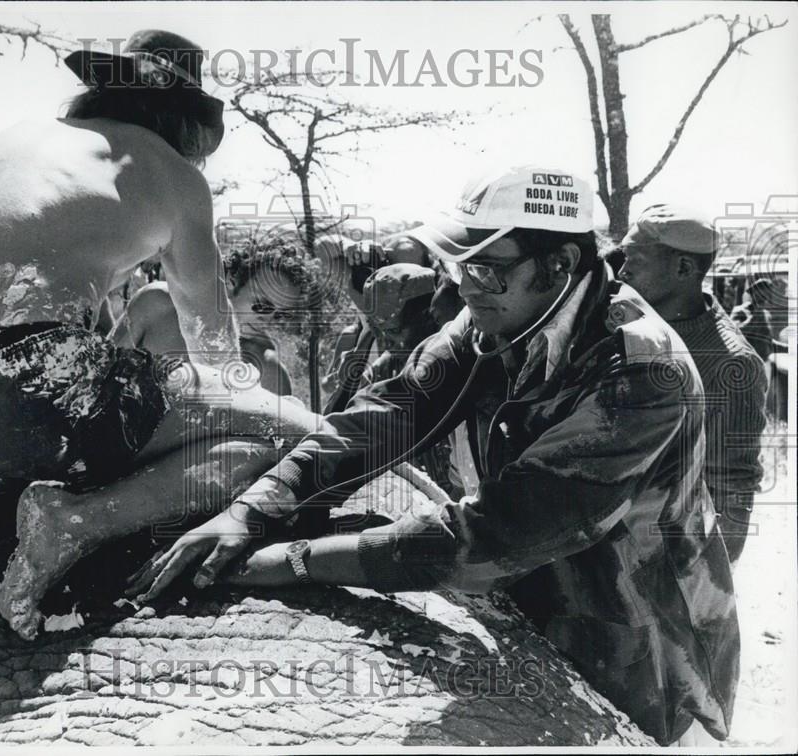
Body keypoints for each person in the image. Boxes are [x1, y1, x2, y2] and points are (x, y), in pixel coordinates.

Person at [128, 167, 740, 745]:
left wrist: (292, 561)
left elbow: (496, 535)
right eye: (460, 267)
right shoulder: (490, 318)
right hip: (535, 598)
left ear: (560, 265)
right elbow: (385, 418)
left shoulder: (642, 369)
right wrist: (254, 510)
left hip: (645, 638)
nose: (469, 287)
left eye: (490, 270)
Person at [0, 30, 324, 612]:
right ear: (185, 118)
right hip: (24, 392)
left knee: (15, 400)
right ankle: (75, 520)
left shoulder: (13, 140)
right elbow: (213, 347)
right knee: (291, 430)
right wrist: (239, 403)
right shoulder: (173, 174)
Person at [617, 205, 767, 565]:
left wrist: (703, 599)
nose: (622, 272)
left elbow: (732, 493)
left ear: (683, 268)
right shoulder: (629, 321)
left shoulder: (731, 365)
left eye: (634, 260)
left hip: (651, 567)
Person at [115, 247, 316, 396]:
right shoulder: (156, 304)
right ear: (230, 284)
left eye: (281, 316)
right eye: (263, 305)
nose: (269, 320)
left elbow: (278, 447)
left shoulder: (269, 371)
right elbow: (97, 376)